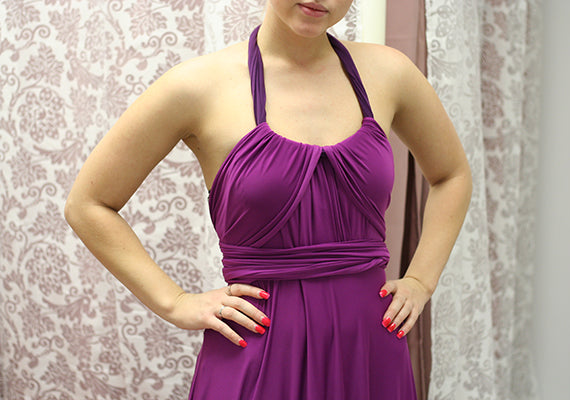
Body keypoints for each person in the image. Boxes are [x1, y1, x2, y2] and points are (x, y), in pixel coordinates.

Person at [65, 1, 472, 398]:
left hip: (369, 347)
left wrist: (421, 280)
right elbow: (89, 204)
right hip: (259, 346)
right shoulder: (195, 86)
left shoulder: (389, 72)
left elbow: (451, 175)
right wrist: (174, 302)